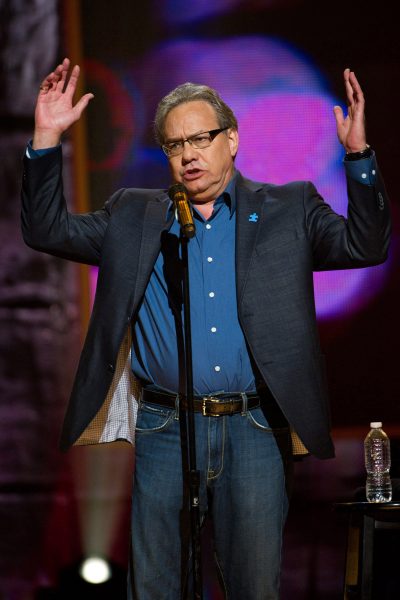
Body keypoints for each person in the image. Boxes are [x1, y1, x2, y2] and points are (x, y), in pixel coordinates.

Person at [21, 58, 391, 600]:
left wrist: (357, 157)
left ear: (232, 139)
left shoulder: (289, 208)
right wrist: (46, 139)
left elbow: (366, 244)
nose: (189, 153)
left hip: (255, 430)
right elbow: (47, 228)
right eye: (174, 145)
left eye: (201, 138)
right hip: (165, 428)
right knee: (156, 588)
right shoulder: (134, 214)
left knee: (253, 588)